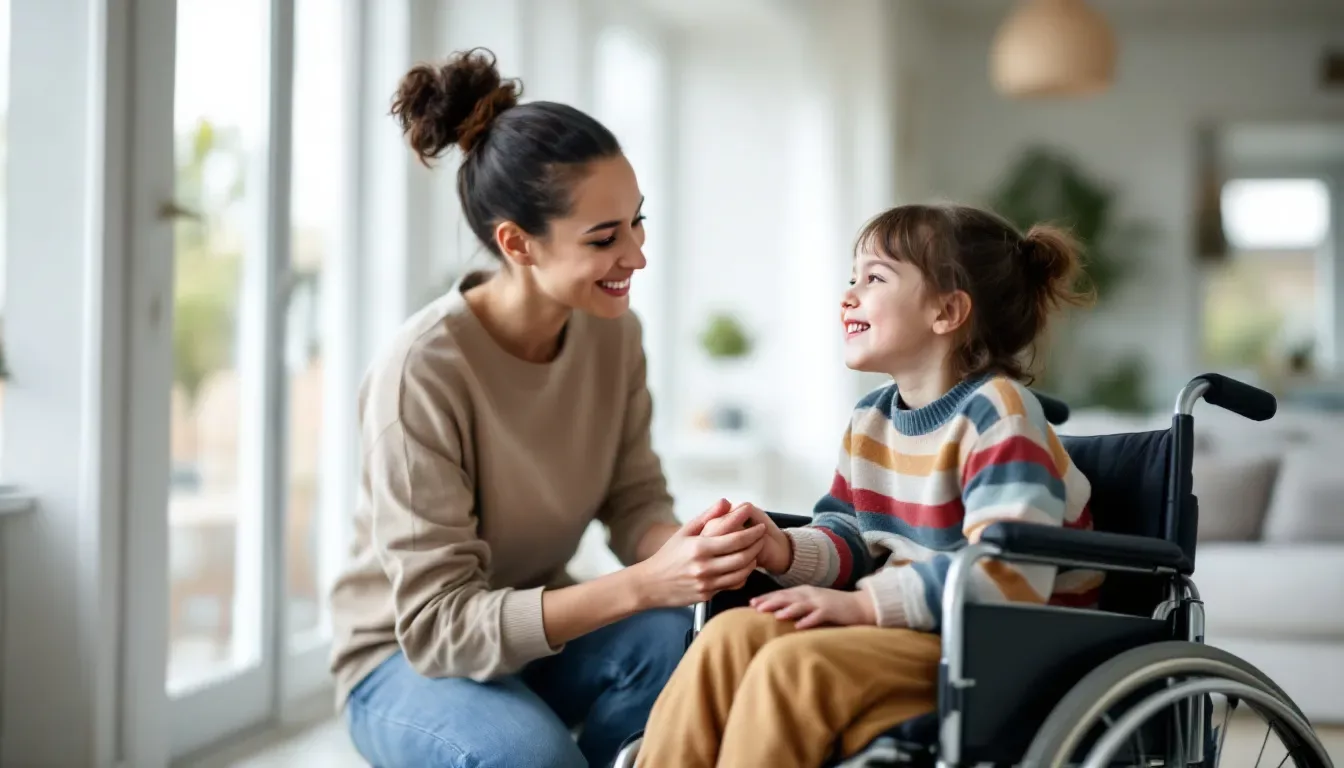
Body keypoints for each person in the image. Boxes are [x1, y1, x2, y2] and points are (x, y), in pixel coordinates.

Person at [328, 48, 767, 768]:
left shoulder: (613, 333)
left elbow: (633, 503)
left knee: (697, 644)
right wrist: (643, 584)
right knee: (530, 758)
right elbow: (440, 628)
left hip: (534, 629)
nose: (637, 256)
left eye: (636, 223)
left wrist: (700, 550)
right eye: (605, 238)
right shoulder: (421, 371)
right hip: (406, 656)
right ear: (517, 243)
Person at [634, 203, 1104, 767]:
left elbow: (1007, 571)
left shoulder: (999, 414)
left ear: (947, 311)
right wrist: (780, 547)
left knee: (794, 670)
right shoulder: (871, 420)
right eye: (851, 277)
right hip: (910, 635)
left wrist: (862, 605)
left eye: (874, 277)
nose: (848, 295)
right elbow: (854, 535)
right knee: (728, 637)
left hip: (991, 653)